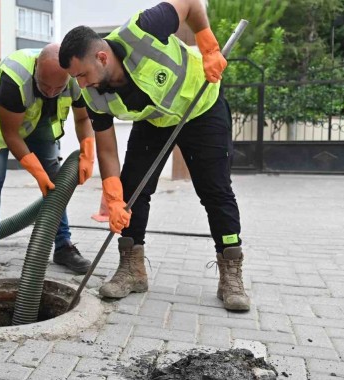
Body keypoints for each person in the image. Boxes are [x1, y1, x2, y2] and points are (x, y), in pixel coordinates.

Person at [58, 0, 250, 311]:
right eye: (75, 79)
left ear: (102, 57)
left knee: (215, 191)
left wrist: (208, 45)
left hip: (201, 107)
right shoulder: (93, 93)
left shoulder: (143, 29)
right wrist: (113, 194)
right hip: (156, 119)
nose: (80, 84)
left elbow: (189, 3)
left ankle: (231, 273)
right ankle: (132, 270)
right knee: (133, 189)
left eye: (82, 74)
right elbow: (107, 148)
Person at [0, 44, 95, 280]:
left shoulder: (75, 77)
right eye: (45, 85)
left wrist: (88, 152)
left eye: (58, 87)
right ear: (37, 68)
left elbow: (82, 118)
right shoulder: (14, 78)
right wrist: (37, 172)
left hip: (40, 119)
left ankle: (63, 246)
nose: (51, 92)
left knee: (56, 181)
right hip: (1, 124)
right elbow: (11, 134)